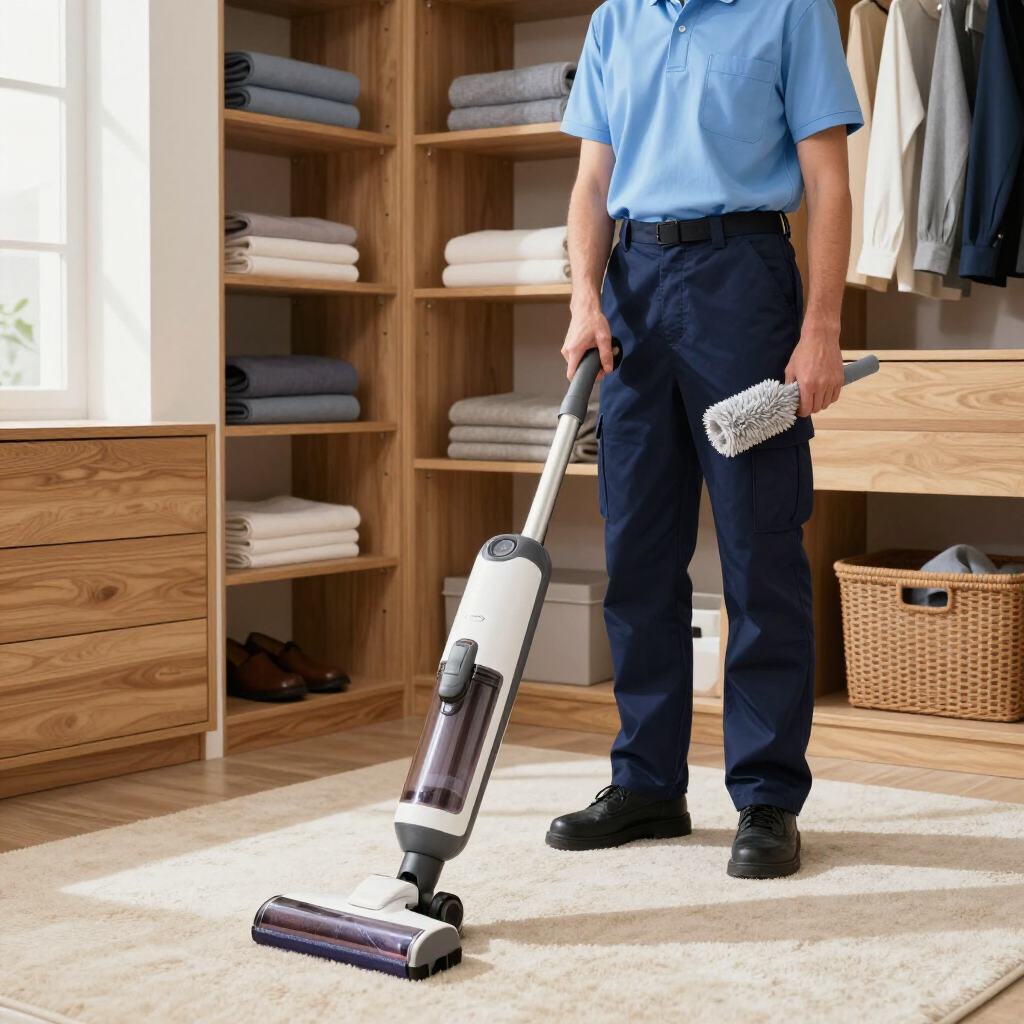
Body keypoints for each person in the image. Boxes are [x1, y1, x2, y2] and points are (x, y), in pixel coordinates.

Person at [547, 0, 863, 879]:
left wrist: (822, 327)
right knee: (636, 548)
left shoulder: (790, 12)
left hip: (743, 281)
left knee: (760, 550)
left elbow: (829, 180)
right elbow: (590, 183)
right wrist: (584, 298)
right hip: (634, 287)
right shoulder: (615, 21)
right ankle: (647, 782)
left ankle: (766, 796)